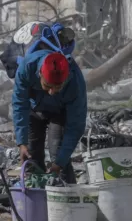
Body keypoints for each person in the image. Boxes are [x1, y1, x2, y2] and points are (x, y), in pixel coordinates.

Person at [13, 50, 87, 183]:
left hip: (59, 113)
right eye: (47, 86)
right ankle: (34, 195)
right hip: (34, 110)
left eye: (58, 87)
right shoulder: (27, 67)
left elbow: (76, 125)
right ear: (40, 73)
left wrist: (60, 162)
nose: (52, 92)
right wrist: (21, 142)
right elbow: (20, 105)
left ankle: (69, 196)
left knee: (58, 156)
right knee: (31, 156)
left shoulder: (75, 81)